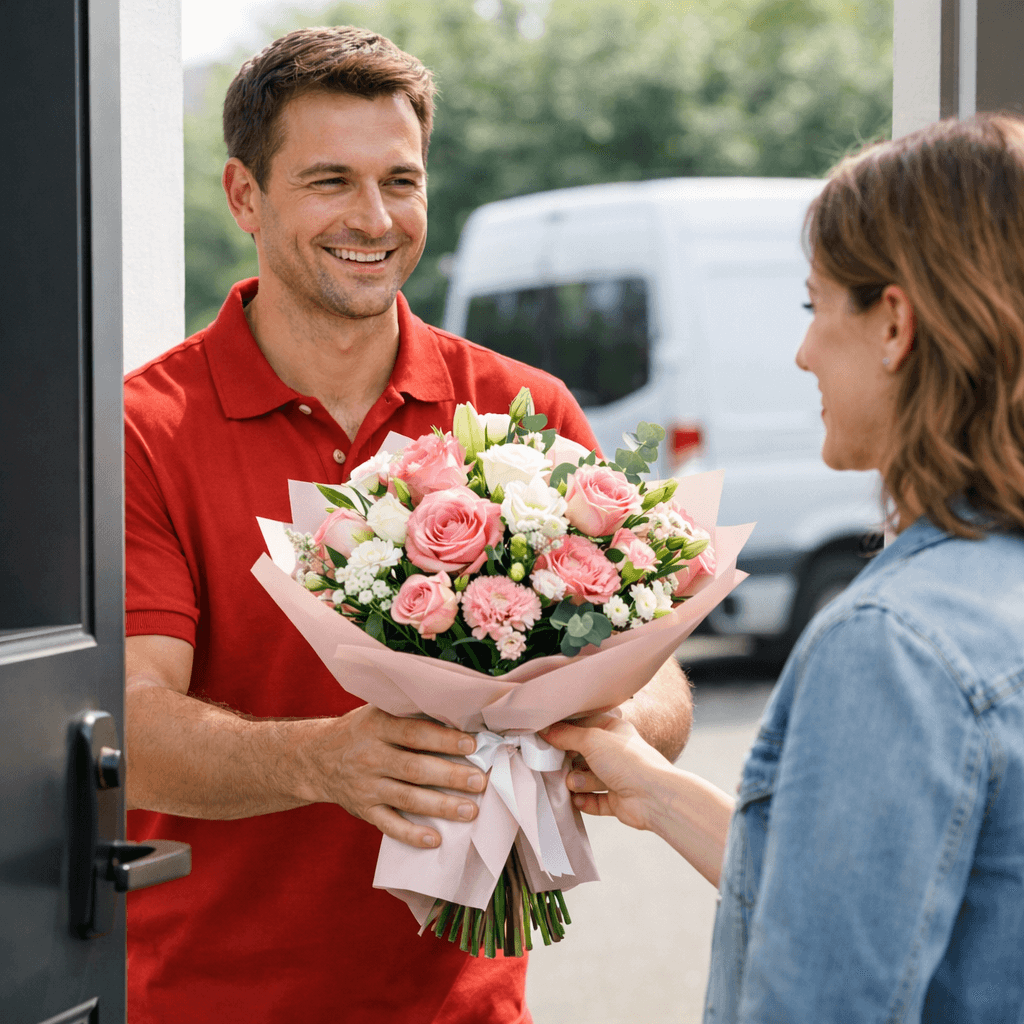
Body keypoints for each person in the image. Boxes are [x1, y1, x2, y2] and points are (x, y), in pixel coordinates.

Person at [123, 25, 692, 1024]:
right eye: (330, 180)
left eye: (401, 179)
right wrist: (319, 758)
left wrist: (603, 728)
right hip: (207, 1001)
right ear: (243, 196)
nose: (375, 217)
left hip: (468, 1009)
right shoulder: (144, 428)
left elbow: (664, 676)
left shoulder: (524, 411)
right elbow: (128, 724)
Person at [544, 113, 1024, 1022]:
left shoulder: (895, 647)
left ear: (894, 324)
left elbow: (826, 998)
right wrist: (654, 788)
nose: (802, 353)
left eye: (815, 307)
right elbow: (912, 902)